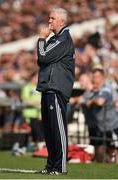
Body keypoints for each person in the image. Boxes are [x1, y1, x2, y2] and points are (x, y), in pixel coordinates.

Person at [36, 7, 75, 175]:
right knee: (49, 130)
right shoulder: (54, 39)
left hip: (57, 88)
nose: (49, 21)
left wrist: (40, 39)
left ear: (62, 21)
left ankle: (60, 167)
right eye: (49, 18)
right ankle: (52, 165)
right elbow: (43, 60)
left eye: (52, 18)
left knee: (58, 129)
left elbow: (42, 57)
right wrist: (45, 40)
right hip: (48, 88)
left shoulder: (63, 38)